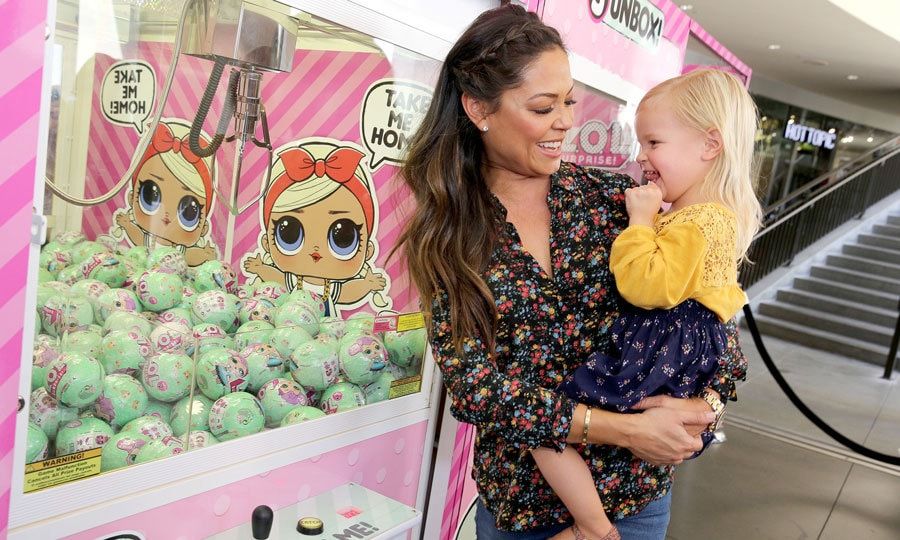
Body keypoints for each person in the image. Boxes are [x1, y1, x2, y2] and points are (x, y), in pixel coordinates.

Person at [396, 5, 747, 539]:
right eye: (543, 107)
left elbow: (712, 320)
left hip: (637, 502)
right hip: (524, 514)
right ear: (477, 108)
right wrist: (626, 430)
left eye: (569, 102)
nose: (565, 121)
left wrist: (705, 409)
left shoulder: (615, 203)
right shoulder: (448, 234)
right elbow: (475, 387)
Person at [537, 69, 762, 539]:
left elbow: (647, 286)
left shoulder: (697, 221)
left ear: (709, 145)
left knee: (551, 421)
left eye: (654, 143)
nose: (642, 157)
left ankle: (588, 526)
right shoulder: (704, 217)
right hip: (679, 348)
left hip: (660, 344)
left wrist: (639, 222)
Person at [242, 139, 389, 317]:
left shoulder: (329, 288)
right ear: (267, 243)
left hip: (327, 333)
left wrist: (367, 285)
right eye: (289, 234)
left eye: (343, 237)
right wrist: (260, 268)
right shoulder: (293, 281)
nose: (315, 251)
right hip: (286, 326)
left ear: (367, 250)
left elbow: (346, 292)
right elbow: (278, 278)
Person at [115, 119, 218, 266]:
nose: (167, 216)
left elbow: (192, 255)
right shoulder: (148, 241)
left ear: (203, 228)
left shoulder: (179, 251)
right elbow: (138, 237)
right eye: (149, 195)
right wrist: (127, 225)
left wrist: (204, 255)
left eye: (189, 212)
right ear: (132, 198)